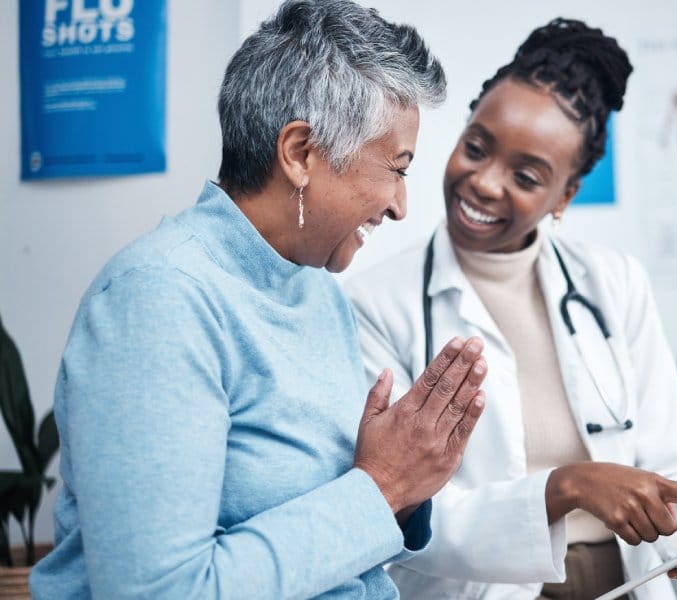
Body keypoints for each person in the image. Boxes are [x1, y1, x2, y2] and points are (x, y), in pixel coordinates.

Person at [30, 1, 489, 598]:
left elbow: (342, 522)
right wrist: (382, 488)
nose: (400, 205)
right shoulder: (158, 300)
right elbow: (162, 591)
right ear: (300, 153)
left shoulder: (316, 292)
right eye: (396, 168)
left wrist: (409, 478)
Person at [345, 17, 677, 600]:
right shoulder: (375, 303)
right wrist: (562, 488)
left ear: (565, 195)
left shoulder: (614, 283)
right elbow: (398, 513)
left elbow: (673, 471)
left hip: (629, 583)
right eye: (476, 147)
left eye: (526, 175)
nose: (485, 183)